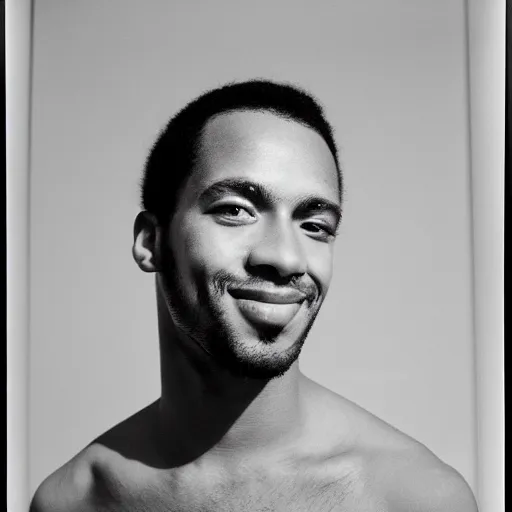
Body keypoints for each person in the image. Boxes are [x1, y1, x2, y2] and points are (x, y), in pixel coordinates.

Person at [30, 80, 478, 511]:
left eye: (315, 225)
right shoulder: (75, 500)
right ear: (152, 241)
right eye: (235, 211)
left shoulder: (415, 498)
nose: (286, 257)